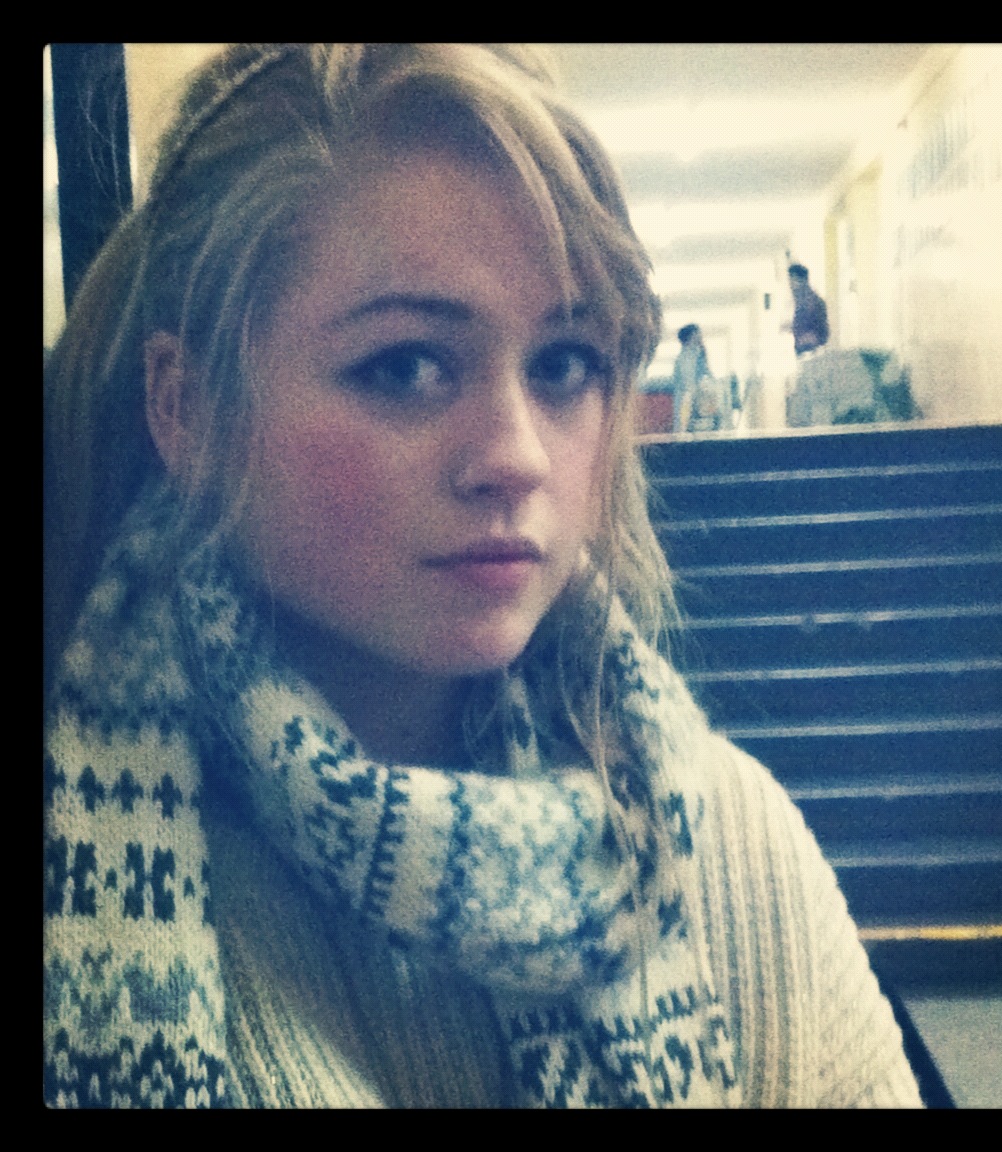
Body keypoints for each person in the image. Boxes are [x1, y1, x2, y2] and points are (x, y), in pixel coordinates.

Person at [44, 44, 922, 1108]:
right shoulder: (87, 869)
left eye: (564, 364)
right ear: (186, 408)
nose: (516, 455)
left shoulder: (718, 846)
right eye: (406, 366)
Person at [671, 322, 710, 433]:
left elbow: (706, 376)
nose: (701, 337)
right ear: (691, 336)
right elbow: (688, 384)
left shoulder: (698, 355)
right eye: (698, 334)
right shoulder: (685, 358)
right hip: (687, 400)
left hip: (695, 400)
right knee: (686, 429)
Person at [785, 263, 829, 355]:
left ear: (803, 281)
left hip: (811, 350)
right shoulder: (799, 301)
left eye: (793, 280)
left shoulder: (812, 302)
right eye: (790, 280)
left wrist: (812, 337)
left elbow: (822, 330)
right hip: (803, 348)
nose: (791, 285)